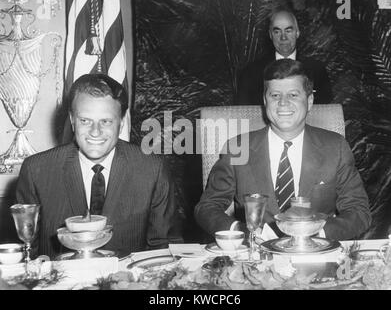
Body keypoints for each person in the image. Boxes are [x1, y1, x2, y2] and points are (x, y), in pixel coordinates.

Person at [195, 59, 371, 241]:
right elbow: (206, 207)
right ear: (265, 101)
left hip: (314, 255)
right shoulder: (238, 148)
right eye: (275, 95)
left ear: (309, 101)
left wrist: (318, 235)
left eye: (293, 95)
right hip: (256, 258)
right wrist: (242, 232)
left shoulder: (336, 147)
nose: (283, 103)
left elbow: (359, 212)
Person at [15, 74, 182, 259]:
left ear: (122, 121)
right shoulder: (36, 170)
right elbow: (25, 254)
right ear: (71, 119)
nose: (95, 132)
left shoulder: (152, 169)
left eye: (106, 121)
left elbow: (164, 249)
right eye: (85, 121)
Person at [235, 9, 333, 105]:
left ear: (297, 33)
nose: (283, 37)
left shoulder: (317, 70)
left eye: (288, 31)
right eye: (277, 32)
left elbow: (326, 111)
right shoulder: (251, 73)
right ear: (270, 35)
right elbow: (244, 113)